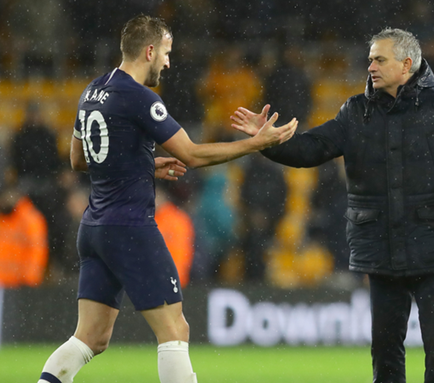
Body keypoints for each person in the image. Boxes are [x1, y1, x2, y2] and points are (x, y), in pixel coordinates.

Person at [232, 28, 434, 383]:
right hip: (382, 249)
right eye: (369, 59)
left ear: (407, 64)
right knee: (385, 349)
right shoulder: (355, 111)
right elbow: (311, 149)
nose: (371, 66)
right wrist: (265, 141)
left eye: (380, 59)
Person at [36, 14, 297, 383]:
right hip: (130, 228)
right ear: (149, 50)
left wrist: (142, 165)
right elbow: (191, 154)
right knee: (175, 331)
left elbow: (79, 159)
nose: (168, 62)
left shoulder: (92, 91)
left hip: (94, 228)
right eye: (166, 52)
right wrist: (256, 143)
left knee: (90, 338)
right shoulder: (140, 98)